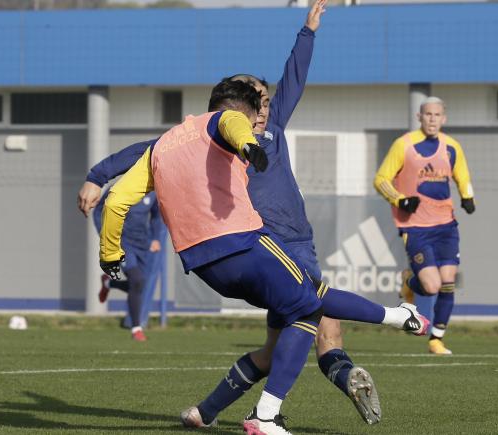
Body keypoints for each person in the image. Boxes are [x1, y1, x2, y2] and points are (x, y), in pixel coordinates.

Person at [77, 0, 405, 426]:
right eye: (254, 100)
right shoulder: (211, 136)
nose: (262, 106)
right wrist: (97, 175)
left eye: (265, 99)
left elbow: (295, 77)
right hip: (258, 242)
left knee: (303, 329)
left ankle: (211, 411)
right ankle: (286, 404)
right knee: (311, 317)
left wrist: (308, 31)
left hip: (293, 242)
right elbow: (147, 152)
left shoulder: (272, 128)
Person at [374, 96, 476, 355]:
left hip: (446, 225)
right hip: (416, 226)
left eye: (437, 115)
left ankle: (436, 339)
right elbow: (381, 178)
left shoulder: (452, 146)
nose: (432, 119)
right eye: (427, 114)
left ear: (444, 118)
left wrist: (467, 195)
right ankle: (410, 281)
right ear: (419, 117)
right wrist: (399, 199)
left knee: (448, 281)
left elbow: (462, 173)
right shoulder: (404, 144)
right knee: (430, 287)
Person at [93, 190, 162, 341]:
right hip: (121, 243)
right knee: (136, 280)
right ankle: (136, 329)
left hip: (142, 244)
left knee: (138, 285)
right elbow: (98, 210)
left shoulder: (152, 192)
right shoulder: (120, 187)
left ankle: (108, 283)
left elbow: (157, 216)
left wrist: (155, 238)